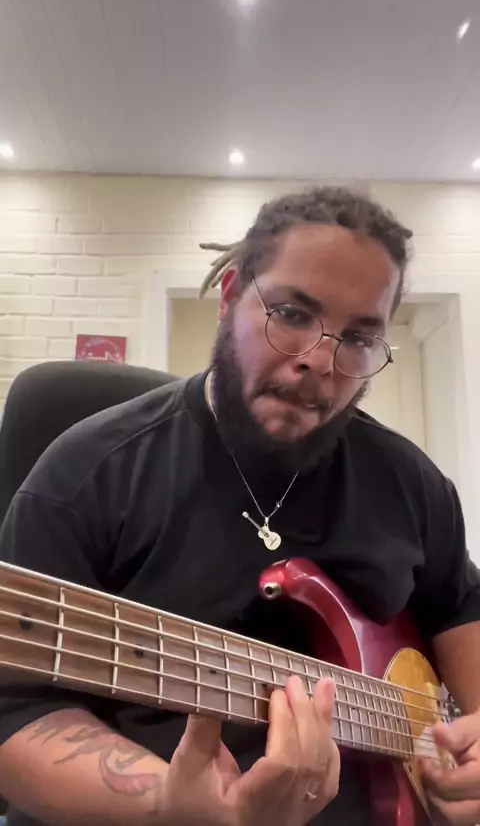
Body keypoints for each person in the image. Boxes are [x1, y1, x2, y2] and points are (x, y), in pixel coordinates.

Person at [0, 187, 479, 826]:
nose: (319, 361)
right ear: (229, 297)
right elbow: (15, 711)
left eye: (360, 338)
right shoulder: (88, 472)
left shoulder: (410, 481)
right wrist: (168, 805)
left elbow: (461, 605)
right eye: (291, 313)